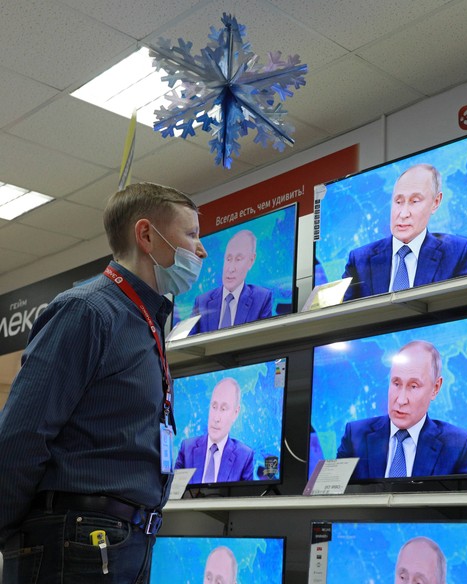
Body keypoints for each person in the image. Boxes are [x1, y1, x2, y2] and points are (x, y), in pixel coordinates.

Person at [0, 183, 207, 582]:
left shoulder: (145, 322)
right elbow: (22, 434)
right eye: (192, 235)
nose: (201, 251)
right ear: (146, 234)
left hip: (124, 540)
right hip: (78, 541)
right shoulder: (87, 311)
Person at [336, 340, 467, 479]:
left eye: (413, 386)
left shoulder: (459, 446)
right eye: (396, 383)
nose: (401, 400)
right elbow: (331, 496)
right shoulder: (354, 435)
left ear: (435, 388)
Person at [342, 164, 467, 301]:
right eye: (398, 201)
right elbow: (340, 317)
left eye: (415, 201)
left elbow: (465, 311)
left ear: (436, 202)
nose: (403, 213)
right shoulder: (359, 260)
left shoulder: (457, 253)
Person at [189, 230, 273, 334]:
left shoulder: (261, 299)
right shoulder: (202, 302)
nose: (231, 269)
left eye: (238, 259)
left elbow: (265, 342)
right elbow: (187, 345)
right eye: (228, 259)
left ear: (251, 261)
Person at [174, 378, 255, 484]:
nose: (216, 418)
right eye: (214, 406)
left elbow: (246, 499)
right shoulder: (187, 448)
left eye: (223, 409)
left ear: (236, 413)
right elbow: (173, 492)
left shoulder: (244, 456)